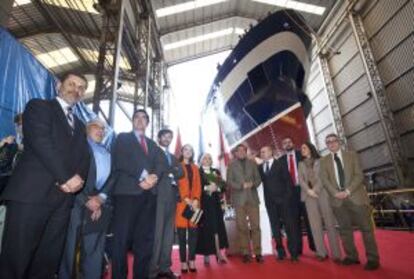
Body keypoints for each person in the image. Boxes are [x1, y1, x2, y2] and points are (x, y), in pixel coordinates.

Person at [0, 72, 90, 279]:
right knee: (16, 259)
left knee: (47, 262)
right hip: (31, 195)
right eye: (72, 84)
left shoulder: (80, 124)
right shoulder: (39, 106)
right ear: (59, 85)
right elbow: (41, 143)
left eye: (81, 88)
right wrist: (67, 177)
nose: (76, 90)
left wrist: (78, 181)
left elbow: (85, 157)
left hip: (63, 201)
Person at [111, 109, 166, 279]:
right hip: (127, 194)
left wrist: (153, 177)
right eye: (137, 117)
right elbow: (121, 160)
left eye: (143, 118)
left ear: (148, 122)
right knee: (122, 241)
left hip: (149, 196)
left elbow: (161, 163)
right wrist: (143, 176)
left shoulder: (153, 145)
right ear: (132, 121)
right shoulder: (122, 138)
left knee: (144, 243)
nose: (140, 120)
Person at [59, 118, 114, 279]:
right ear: (87, 129)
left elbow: (113, 177)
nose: (101, 131)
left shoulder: (108, 152)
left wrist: (100, 200)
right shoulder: (76, 147)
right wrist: (86, 200)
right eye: (97, 127)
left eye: (103, 129)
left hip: (100, 206)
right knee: (69, 251)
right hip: (76, 204)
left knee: (95, 250)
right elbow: (67, 174)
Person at [320, 133, 380, 271]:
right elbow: (324, 180)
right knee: (345, 230)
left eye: (333, 141)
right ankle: (352, 256)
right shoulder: (323, 161)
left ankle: (372, 259)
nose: (331, 144)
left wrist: (347, 191)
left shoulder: (352, 155)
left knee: (366, 229)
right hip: (337, 200)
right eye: (328, 142)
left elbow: (359, 175)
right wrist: (335, 193)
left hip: (356, 198)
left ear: (339, 142)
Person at [298, 142, 341, 262]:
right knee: (315, 226)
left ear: (311, 149)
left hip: (322, 193)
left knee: (330, 223)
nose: (302, 150)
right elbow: (300, 180)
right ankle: (321, 253)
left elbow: (323, 177)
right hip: (308, 196)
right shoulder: (300, 164)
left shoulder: (321, 161)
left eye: (304, 147)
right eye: (302, 148)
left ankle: (336, 254)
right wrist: (309, 191)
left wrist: (315, 189)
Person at [150, 128, 184, 279]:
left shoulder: (172, 156)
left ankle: (165, 268)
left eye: (170, 137)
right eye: (165, 136)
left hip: (172, 197)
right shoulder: (153, 152)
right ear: (159, 137)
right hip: (158, 196)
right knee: (157, 235)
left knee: (168, 236)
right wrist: (171, 170)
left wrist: (170, 171)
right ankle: (152, 271)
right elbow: (159, 169)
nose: (167, 138)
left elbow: (181, 172)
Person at [258, 145, 299, 261]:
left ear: (271, 152)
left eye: (264, 151)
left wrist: (286, 198)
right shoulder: (260, 168)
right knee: (275, 228)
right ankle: (280, 251)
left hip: (283, 201)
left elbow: (288, 182)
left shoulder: (280, 164)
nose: (262, 154)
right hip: (270, 203)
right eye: (261, 152)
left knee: (289, 227)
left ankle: (294, 253)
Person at [226, 144, 263, 263]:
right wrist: (241, 186)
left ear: (246, 152)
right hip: (238, 200)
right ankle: (245, 253)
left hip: (252, 199)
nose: (241, 152)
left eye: (243, 150)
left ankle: (258, 253)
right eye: (239, 150)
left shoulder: (252, 163)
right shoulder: (231, 165)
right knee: (242, 227)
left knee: (256, 227)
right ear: (235, 153)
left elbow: (258, 179)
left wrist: (253, 184)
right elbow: (229, 182)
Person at [280, 136, 315, 254]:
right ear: (282, 147)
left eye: (289, 142)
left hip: (305, 191)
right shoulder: (280, 161)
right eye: (285, 143)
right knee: (293, 223)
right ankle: (296, 249)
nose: (287, 144)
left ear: (293, 143)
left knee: (310, 220)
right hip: (289, 195)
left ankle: (315, 247)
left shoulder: (302, 155)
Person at [196, 153, 229, 265]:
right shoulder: (198, 172)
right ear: (200, 161)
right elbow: (195, 187)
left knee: (216, 228)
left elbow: (224, 186)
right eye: (204, 158)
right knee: (205, 229)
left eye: (209, 158)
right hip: (203, 204)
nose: (207, 160)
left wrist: (217, 187)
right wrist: (206, 187)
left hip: (215, 204)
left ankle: (218, 253)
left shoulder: (215, 172)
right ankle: (206, 254)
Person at [176, 144, 202, 273]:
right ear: (182, 152)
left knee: (193, 235)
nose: (188, 152)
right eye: (185, 149)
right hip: (181, 204)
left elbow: (198, 185)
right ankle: (182, 262)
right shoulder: (177, 166)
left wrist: (196, 200)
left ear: (192, 153)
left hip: (195, 205)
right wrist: (186, 199)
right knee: (181, 236)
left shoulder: (196, 168)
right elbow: (176, 185)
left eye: (190, 150)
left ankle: (191, 260)